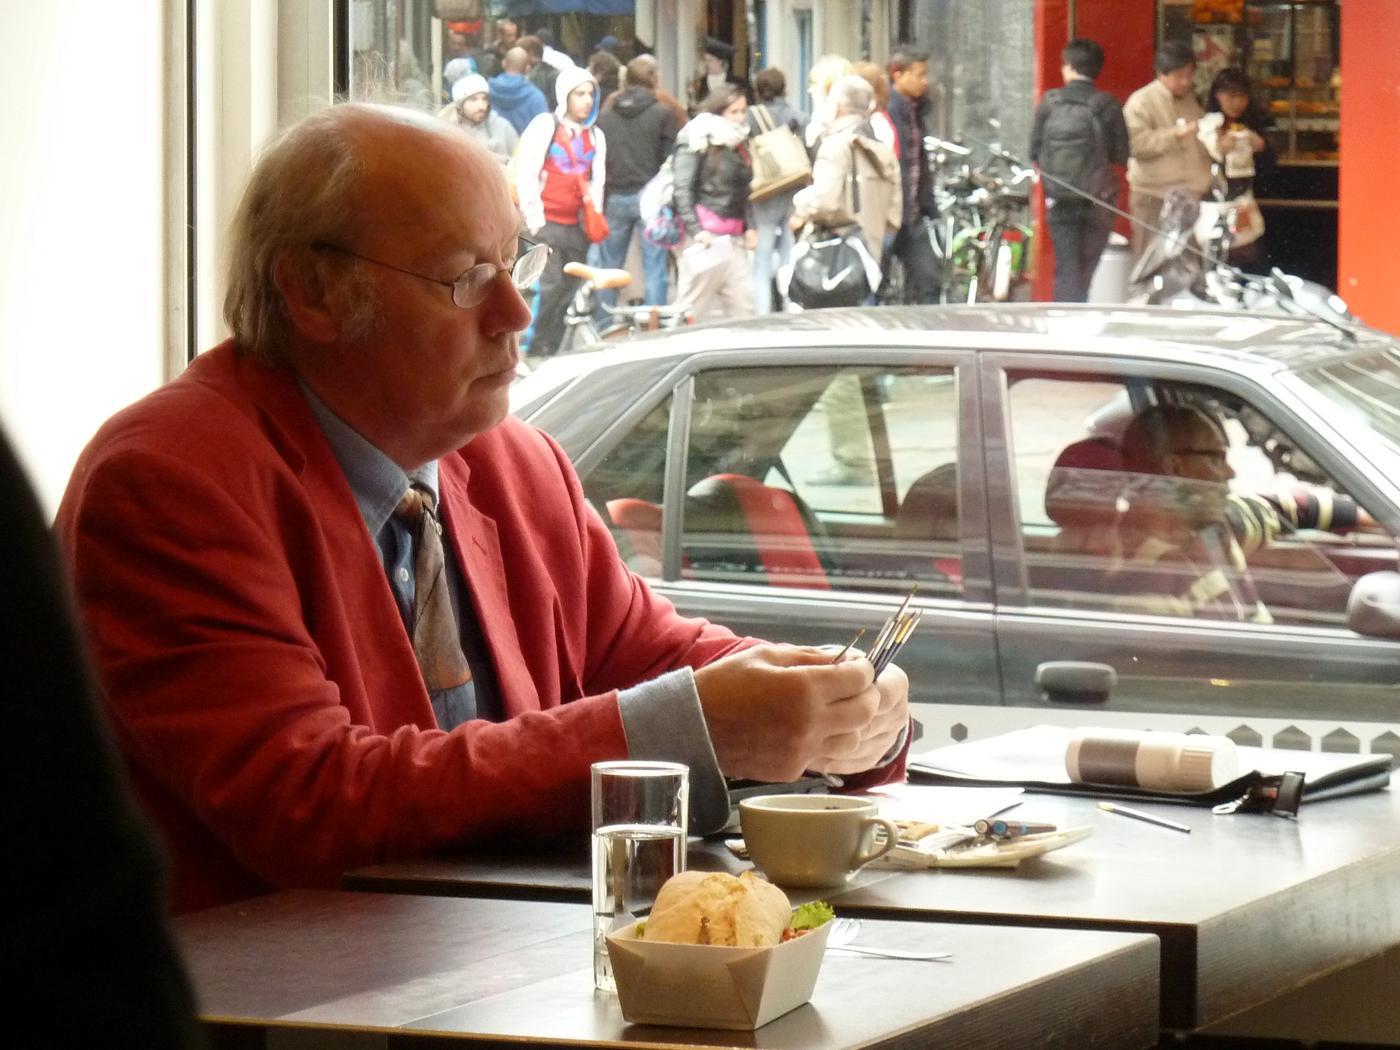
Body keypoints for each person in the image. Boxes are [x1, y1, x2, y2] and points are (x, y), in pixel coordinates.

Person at [56, 104, 910, 914]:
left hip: (488, 989)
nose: (517, 313)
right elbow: (311, 808)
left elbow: (644, 656)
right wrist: (699, 723)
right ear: (313, 292)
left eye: (517, 263)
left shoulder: (511, 460)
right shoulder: (172, 480)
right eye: (466, 279)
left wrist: (827, 701)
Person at [4, 425, 205, 1047]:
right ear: (315, 318)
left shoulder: (488, 455)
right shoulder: (165, 470)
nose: (515, 321)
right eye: (462, 314)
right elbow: (305, 794)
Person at [1112, 404, 1373, 622]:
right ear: (1176, 467)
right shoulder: (1146, 587)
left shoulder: (1215, 525)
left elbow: (1291, 507)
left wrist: (1382, 518)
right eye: (1216, 458)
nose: (1231, 473)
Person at [790, 76, 901, 486]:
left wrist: (799, 204)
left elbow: (824, 199)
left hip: (836, 264)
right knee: (861, 364)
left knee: (839, 367)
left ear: (838, 108)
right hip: (867, 261)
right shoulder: (880, 147)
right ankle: (873, 457)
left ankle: (852, 461)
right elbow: (895, 213)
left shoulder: (837, 146)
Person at [1030, 38, 1130, 302]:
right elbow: (1121, 155)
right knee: (1085, 272)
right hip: (1099, 202)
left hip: (1060, 200)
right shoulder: (1107, 105)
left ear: (1069, 67)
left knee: (1066, 268)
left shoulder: (1050, 103)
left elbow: (1033, 152)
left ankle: (1064, 322)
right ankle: (1078, 313)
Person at [517, 66, 606, 357]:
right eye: (579, 94)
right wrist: (534, 219)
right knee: (550, 287)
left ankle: (553, 347)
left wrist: (594, 221)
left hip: (577, 226)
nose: (587, 100)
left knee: (570, 289)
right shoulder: (546, 125)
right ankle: (534, 347)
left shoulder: (596, 136)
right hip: (547, 222)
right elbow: (527, 171)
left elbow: (597, 182)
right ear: (565, 96)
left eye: (591, 93)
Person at [595, 54, 679, 312]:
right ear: (654, 79)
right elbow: (670, 159)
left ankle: (603, 322)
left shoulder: (605, 116)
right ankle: (656, 326)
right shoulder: (663, 113)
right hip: (650, 198)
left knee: (609, 266)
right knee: (655, 266)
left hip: (616, 195)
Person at [672, 86, 757, 322]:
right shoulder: (696, 137)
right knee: (690, 312)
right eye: (733, 112)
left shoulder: (739, 143)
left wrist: (749, 225)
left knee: (743, 309)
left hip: (733, 238)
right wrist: (696, 231)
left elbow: (743, 190)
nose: (740, 118)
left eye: (743, 111)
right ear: (719, 112)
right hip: (704, 238)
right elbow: (683, 188)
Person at [1124, 40, 1212, 262]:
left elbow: (1201, 142)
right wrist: (1177, 133)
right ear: (1161, 73)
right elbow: (1136, 145)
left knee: (1189, 264)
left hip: (1190, 195)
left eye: (1189, 75)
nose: (1186, 82)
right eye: (1179, 76)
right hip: (1154, 195)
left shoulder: (1191, 101)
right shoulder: (1141, 102)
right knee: (1149, 261)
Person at [747, 67, 805, 314]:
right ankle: (791, 307)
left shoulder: (750, 118)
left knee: (760, 262)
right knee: (789, 256)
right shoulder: (798, 117)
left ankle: (762, 315)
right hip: (794, 191)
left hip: (763, 194)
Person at [1204, 67, 1273, 269]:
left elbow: (1270, 162)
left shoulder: (1254, 122)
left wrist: (1261, 146)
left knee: (1248, 254)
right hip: (1213, 205)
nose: (1237, 103)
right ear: (1218, 95)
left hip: (1245, 200)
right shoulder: (1207, 124)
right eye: (1231, 96)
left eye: (1242, 96)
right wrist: (1217, 148)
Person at [885, 46, 940, 303]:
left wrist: (927, 205)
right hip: (888, 215)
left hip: (913, 214)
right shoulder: (886, 112)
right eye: (918, 75)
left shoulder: (915, 111)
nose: (924, 81)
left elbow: (919, 161)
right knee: (878, 285)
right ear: (897, 75)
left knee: (928, 282)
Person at [438, 73, 519, 168]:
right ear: (460, 104)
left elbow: (518, 163)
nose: (482, 106)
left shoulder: (502, 127)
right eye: (474, 100)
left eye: (484, 99)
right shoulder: (448, 132)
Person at [488, 45, 548, 135]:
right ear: (527, 68)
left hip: (487, 148)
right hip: (523, 148)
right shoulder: (536, 97)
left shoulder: (485, 91)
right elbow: (543, 132)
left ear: (503, 63)